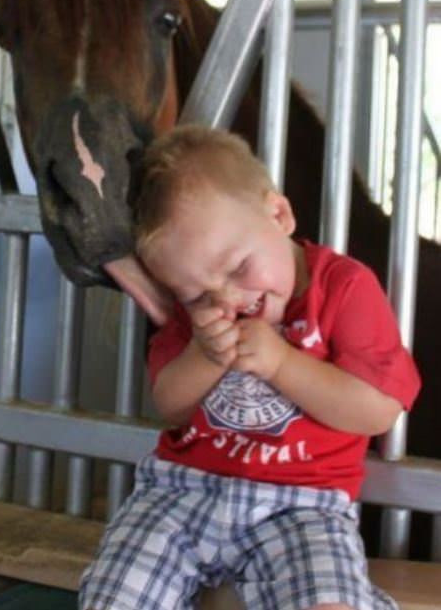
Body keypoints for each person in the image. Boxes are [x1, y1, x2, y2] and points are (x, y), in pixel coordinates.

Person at [79, 124, 421, 610]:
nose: (229, 300)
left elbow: (378, 412)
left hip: (303, 507)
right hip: (182, 495)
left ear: (278, 213)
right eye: (198, 295)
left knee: (330, 604)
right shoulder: (194, 319)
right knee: (114, 598)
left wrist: (282, 363)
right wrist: (204, 354)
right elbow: (170, 406)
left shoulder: (343, 288)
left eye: (238, 268)